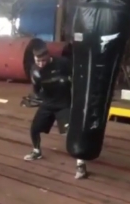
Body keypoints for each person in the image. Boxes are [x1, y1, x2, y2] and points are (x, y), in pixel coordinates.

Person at [23, 41, 87, 179]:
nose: (40, 63)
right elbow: (36, 89)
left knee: (70, 134)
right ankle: (36, 151)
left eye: (43, 60)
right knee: (34, 129)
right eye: (37, 60)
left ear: (49, 56)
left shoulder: (63, 63)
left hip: (64, 104)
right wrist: (42, 96)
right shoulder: (34, 70)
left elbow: (78, 77)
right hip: (48, 104)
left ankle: (81, 164)